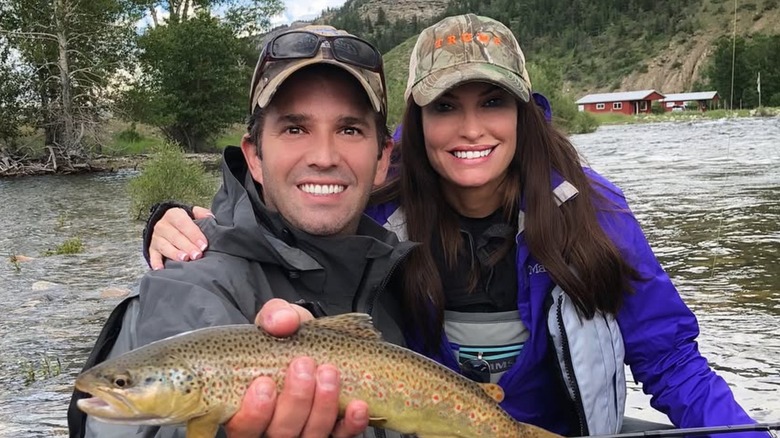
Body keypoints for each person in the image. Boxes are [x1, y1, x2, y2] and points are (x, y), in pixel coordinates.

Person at [144, 14, 767, 438]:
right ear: (411, 129)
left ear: (525, 114)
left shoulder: (593, 211)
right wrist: (172, 220)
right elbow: (280, 216)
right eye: (445, 106)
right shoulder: (378, 207)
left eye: (492, 102)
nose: (471, 129)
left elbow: (672, 362)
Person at [68, 24, 419, 438]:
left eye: (349, 130)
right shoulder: (184, 290)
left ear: (382, 159)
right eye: (294, 128)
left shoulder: (398, 273)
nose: (324, 156)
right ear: (254, 156)